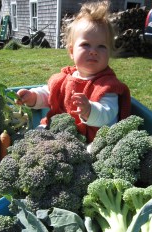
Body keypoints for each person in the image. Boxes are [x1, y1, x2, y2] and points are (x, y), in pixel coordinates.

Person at [16, 0, 131, 143]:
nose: (93, 51)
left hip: (90, 139)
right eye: (86, 45)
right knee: (34, 137)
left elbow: (108, 112)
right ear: (71, 51)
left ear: (110, 53)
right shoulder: (64, 78)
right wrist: (33, 97)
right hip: (60, 132)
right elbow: (49, 95)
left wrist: (89, 110)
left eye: (101, 46)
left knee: (89, 157)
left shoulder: (107, 86)